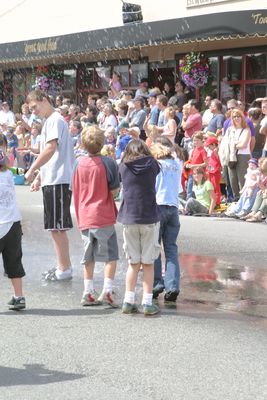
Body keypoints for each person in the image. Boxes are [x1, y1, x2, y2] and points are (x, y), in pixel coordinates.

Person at [25, 89, 75, 281]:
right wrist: (39, 177)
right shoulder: (52, 120)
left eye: (34, 107)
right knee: (55, 226)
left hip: (58, 179)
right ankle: (63, 266)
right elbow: (55, 152)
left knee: (57, 227)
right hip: (54, 178)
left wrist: (31, 170)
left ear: (44, 99)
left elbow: (51, 148)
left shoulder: (54, 119)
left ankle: (64, 269)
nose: (33, 112)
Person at [72, 126, 120, 307]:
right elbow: (114, 191)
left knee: (88, 255)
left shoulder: (78, 163)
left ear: (83, 144)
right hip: (103, 214)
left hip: (84, 214)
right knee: (110, 255)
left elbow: (74, 188)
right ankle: (107, 289)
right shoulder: (108, 163)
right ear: (103, 142)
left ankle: (88, 291)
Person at [117, 139, 161, 315]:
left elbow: (120, 176)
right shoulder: (152, 164)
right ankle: (147, 302)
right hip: (149, 217)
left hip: (129, 218)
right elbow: (157, 167)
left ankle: (128, 301)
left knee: (133, 263)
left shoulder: (123, 166)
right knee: (148, 263)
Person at [150, 140, 181, 302]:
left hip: (158, 206)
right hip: (173, 207)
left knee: (155, 247)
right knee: (171, 249)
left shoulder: (156, 165)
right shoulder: (176, 164)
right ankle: (173, 285)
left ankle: (156, 283)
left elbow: (152, 188)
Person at [0, 135, 26, 310]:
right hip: (13, 225)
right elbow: (20, 172)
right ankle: (19, 297)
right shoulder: (9, 173)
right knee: (14, 261)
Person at [204, 136, 221, 207]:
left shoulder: (216, 151)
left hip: (215, 172)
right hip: (210, 172)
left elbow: (219, 160)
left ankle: (217, 202)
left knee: (216, 187)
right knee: (211, 187)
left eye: (209, 145)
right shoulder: (210, 152)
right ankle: (212, 201)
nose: (208, 147)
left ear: (214, 144)